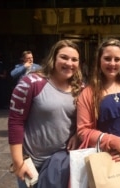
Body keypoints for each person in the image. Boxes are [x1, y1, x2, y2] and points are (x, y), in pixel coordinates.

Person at [8, 39, 83, 188]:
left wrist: (77, 134)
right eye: (64, 57)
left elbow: (84, 120)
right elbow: (15, 121)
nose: (69, 63)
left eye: (74, 59)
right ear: (53, 58)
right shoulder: (31, 82)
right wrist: (18, 162)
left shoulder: (80, 87)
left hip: (63, 164)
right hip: (33, 165)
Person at [76, 38, 120, 185]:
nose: (112, 64)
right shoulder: (89, 93)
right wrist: (116, 142)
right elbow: (83, 131)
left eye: (117, 59)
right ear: (99, 61)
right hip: (104, 159)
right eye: (107, 59)